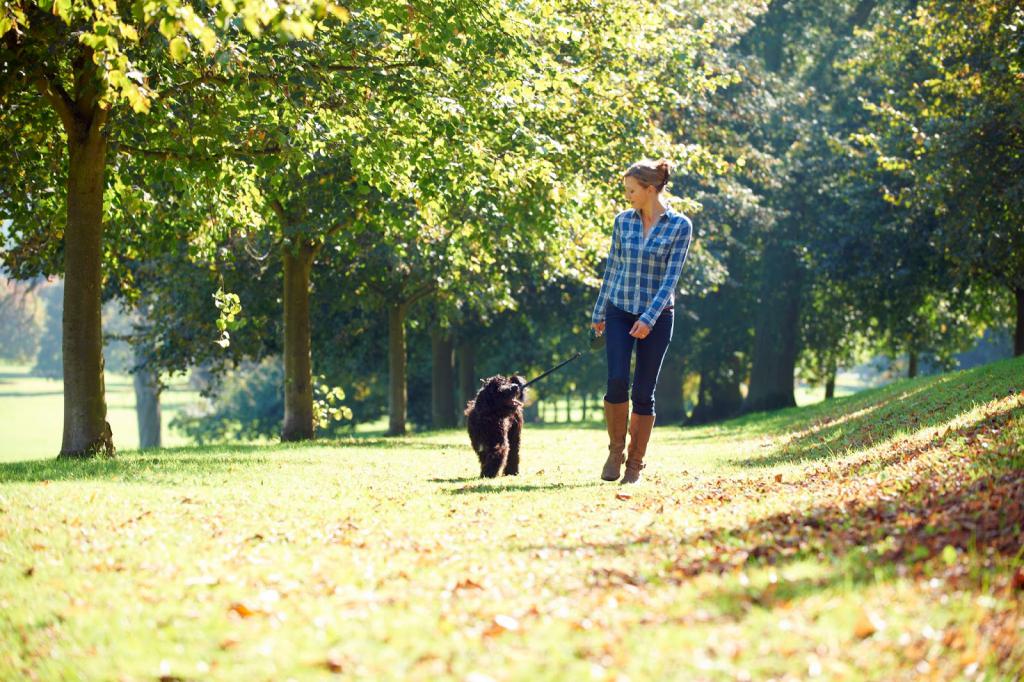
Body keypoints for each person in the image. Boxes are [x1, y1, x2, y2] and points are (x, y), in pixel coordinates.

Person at [591, 159, 693, 484]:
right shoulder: (623, 221)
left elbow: (670, 279)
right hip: (620, 309)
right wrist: (599, 312)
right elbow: (612, 269)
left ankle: (635, 464)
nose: (627, 196)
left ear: (650, 189)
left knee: (644, 392)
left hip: (659, 316)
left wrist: (649, 318)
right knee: (616, 381)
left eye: (632, 190)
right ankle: (615, 451)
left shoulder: (680, 227)